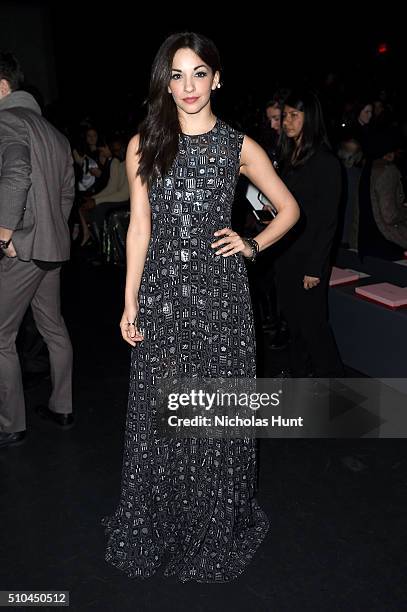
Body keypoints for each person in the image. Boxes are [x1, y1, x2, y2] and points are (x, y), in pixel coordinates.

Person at [100, 31, 299, 583]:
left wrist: (252, 243)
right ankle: (163, 517)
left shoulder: (238, 146)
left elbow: (288, 208)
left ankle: (212, 518)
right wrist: (129, 300)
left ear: (217, 78)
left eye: (199, 73)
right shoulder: (145, 142)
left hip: (221, 297)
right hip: (163, 295)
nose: (188, 86)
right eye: (178, 74)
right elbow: (139, 227)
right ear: (166, 81)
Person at [0, 51, 75, 449]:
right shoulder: (55, 134)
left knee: (0, 335)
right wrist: (52, 232)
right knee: (53, 328)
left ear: (2, 86)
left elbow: (15, 175)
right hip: (52, 249)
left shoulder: (5, 120)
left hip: (23, 250)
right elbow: (66, 196)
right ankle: (62, 405)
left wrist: (5, 235)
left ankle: (11, 423)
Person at [273, 89, 344, 378]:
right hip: (286, 254)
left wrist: (315, 267)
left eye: (293, 115)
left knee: (314, 327)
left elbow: (327, 221)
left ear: (309, 118)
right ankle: (299, 376)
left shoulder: (326, 162)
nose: (286, 122)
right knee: (294, 323)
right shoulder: (290, 158)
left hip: (309, 259)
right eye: (285, 115)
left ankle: (336, 386)